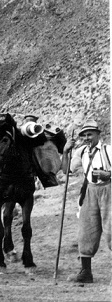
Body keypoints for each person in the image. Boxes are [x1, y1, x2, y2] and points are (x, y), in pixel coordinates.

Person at [62, 119, 111, 283]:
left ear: (98, 134)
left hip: (109, 190)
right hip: (90, 191)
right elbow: (66, 170)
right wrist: (65, 151)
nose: (87, 138)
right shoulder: (81, 151)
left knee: (111, 230)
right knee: (86, 230)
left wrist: (108, 174)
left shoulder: (108, 150)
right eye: (84, 135)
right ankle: (85, 273)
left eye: (90, 134)